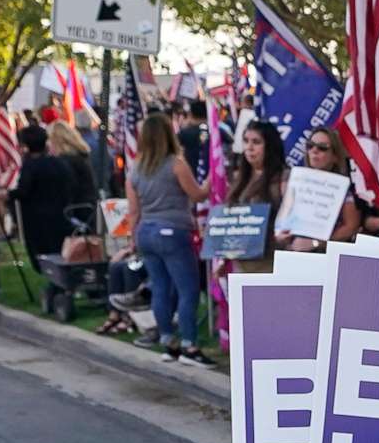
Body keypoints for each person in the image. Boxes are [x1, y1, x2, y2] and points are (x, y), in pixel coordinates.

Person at [123, 112, 211, 365]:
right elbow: (197, 195)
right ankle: (190, 345)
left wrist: (132, 239)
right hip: (173, 232)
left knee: (160, 288)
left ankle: (167, 341)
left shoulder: (135, 170)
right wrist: (210, 181)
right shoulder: (176, 164)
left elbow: (133, 211)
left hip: (146, 232)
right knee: (187, 290)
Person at [275, 127, 364, 253]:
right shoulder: (295, 181)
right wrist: (281, 235)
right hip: (293, 252)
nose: (314, 150)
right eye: (310, 146)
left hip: (325, 256)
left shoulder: (345, 188)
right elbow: (285, 218)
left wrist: (316, 243)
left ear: (335, 156)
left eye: (322, 147)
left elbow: (351, 226)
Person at [220, 119, 288, 281]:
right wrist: (223, 256)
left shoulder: (284, 177)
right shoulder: (240, 177)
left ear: (269, 146)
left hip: (271, 264)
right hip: (242, 266)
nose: (249, 147)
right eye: (246, 141)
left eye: (256, 142)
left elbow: (291, 220)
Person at [11, 123, 74, 266]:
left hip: (38, 220)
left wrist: (7, 195)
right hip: (60, 215)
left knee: (43, 255)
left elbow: (23, 190)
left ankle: (55, 283)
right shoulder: (59, 163)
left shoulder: (31, 166)